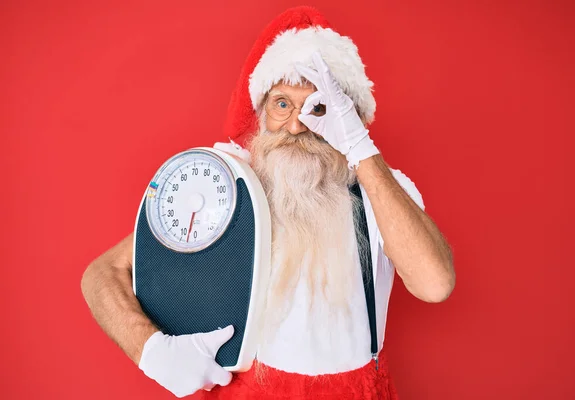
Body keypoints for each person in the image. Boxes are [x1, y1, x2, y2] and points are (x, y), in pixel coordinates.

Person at [81, 6, 455, 399]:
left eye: (318, 109)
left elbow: (435, 283)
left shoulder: (381, 189)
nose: (297, 126)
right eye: (282, 104)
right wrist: (153, 351)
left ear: (348, 116)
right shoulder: (231, 187)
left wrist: (360, 150)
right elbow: (102, 273)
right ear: (261, 113)